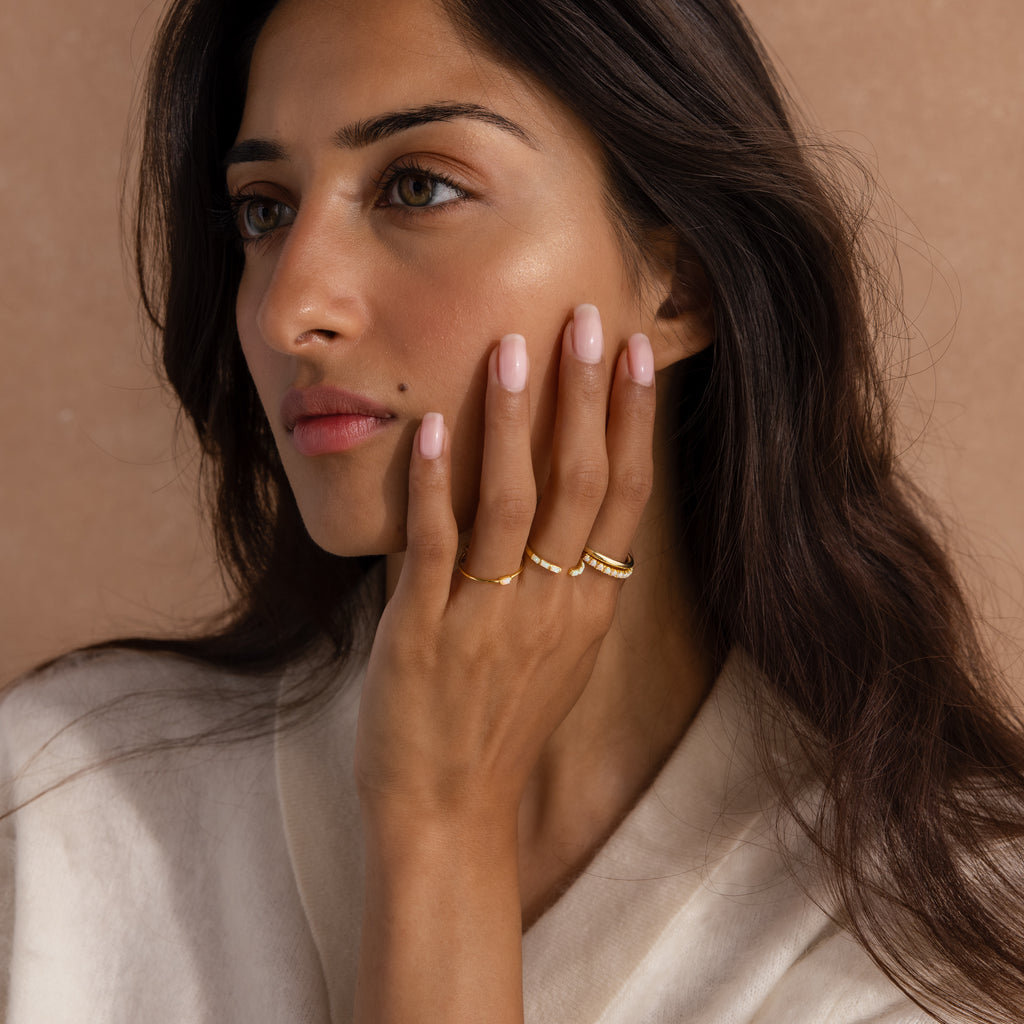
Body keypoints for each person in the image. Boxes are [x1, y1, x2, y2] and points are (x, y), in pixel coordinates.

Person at [2, 0, 1023, 1020]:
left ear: (681, 285)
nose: (286, 309)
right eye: (265, 209)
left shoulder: (932, 941)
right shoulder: (54, 804)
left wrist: (440, 827)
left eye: (417, 187)